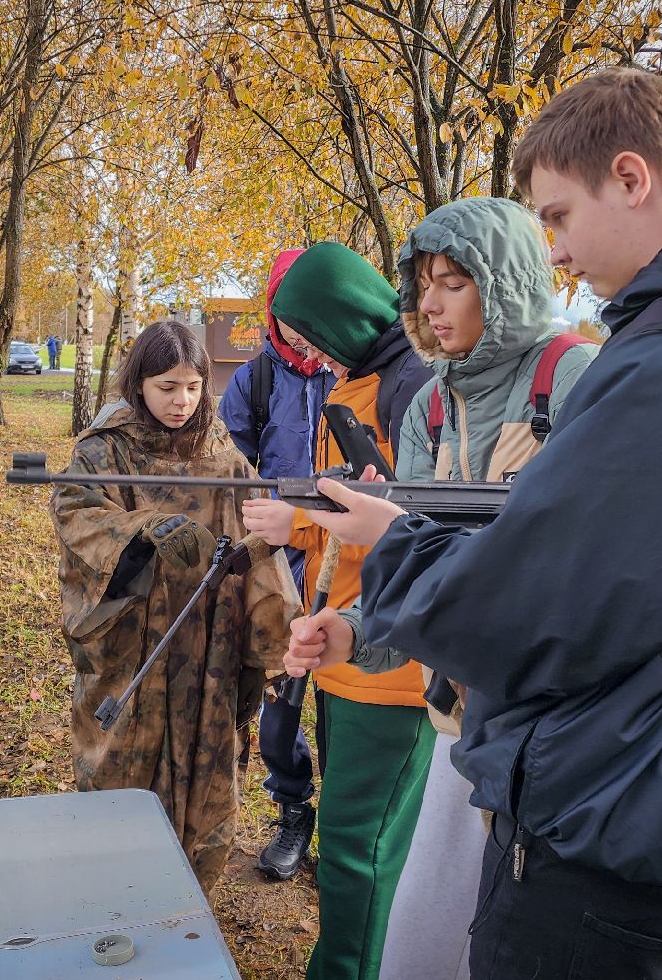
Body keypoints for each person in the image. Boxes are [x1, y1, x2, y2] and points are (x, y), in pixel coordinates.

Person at [285, 67, 662, 979]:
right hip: (656, 796)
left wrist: (393, 540)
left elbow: (542, 606)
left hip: (612, 821)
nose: (554, 251)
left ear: (632, 179)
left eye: (558, 216)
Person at [371, 196, 598, 980]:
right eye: (422, 284)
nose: (428, 304)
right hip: (458, 716)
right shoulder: (430, 404)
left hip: (557, 735)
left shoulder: (575, 377)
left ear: (503, 283)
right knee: (424, 942)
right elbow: (405, 558)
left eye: (454, 282)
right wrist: (350, 634)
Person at [240, 241, 434, 980]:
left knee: (360, 845)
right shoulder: (368, 378)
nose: (305, 351)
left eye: (309, 333)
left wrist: (295, 523)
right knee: (357, 843)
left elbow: (402, 524)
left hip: (389, 661)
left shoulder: (407, 389)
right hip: (348, 643)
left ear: (339, 316)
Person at [51, 320, 300, 891]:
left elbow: (260, 539)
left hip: (209, 653)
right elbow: (77, 518)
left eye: (191, 386)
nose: (181, 401)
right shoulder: (103, 451)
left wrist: (278, 640)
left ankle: (186, 903)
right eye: (166, 386)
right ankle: (113, 895)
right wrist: (141, 530)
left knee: (206, 776)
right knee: (120, 774)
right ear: (139, 383)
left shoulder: (223, 454)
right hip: (132, 655)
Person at [218, 248, 336, 880]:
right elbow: (229, 474)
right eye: (289, 315)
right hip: (277, 562)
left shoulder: (352, 372)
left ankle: (345, 822)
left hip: (347, 557)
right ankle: (294, 809)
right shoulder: (253, 382)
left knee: (344, 697)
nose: (301, 331)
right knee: (282, 697)